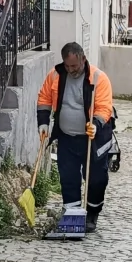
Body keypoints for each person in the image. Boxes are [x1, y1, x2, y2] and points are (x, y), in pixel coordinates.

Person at [37, 43, 114, 234]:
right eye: (67, 66)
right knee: (68, 178)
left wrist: (95, 123)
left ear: (83, 59)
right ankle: (73, 218)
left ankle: (92, 214)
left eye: (74, 66)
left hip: (93, 138)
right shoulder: (55, 75)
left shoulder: (99, 78)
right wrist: (43, 122)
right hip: (67, 137)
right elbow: (44, 99)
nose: (71, 70)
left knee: (96, 179)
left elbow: (104, 107)